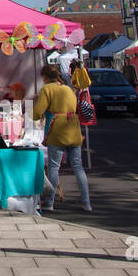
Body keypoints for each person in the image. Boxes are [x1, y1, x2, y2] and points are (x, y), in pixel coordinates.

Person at [32, 63, 91, 212]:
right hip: (73, 128)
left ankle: (50, 202)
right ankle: (87, 203)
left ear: (45, 77)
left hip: (57, 130)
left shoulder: (47, 89)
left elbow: (37, 113)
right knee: (78, 167)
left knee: (54, 167)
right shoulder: (68, 89)